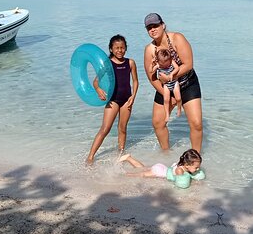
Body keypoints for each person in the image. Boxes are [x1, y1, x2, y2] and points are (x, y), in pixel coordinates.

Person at [143, 12, 203, 152]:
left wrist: (170, 77)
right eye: (149, 27)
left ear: (163, 25)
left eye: (155, 25)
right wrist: (168, 94)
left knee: (196, 123)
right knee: (158, 123)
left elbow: (188, 64)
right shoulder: (149, 50)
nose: (152, 29)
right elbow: (151, 77)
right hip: (165, 88)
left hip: (188, 84)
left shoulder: (177, 38)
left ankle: (196, 157)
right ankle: (166, 153)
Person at [86, 35, 139, 164]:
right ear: (111, 49)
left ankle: (120, 154)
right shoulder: (108, 64)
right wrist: (98, 90)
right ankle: (91, 156)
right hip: (113, 100)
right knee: (105, 128)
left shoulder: (130, 62)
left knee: (122, 128)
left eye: (122, 48)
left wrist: (133, 96)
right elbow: (96, 82)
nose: (119, 50)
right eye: (116, 48)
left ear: (126, 49)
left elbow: (136, 81)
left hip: (127, 99)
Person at [119, 149, 205, 189]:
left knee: (142, 168)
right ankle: (124, 175)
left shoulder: (184, 166)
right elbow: (179, 183)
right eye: (196, 167)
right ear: (187, 165)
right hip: (159, 172)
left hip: (162, 168)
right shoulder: (180, 170)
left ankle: (129, 158)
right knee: (141, 174)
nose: (198, 169)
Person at [151, 48, 182, 122]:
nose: (164, 66)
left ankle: (179, 108)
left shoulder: (171, 62)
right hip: (166, 85)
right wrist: (153, 64)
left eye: (166, 64)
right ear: (158, 61)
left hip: (174, 83)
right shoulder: (158, 65)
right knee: (166, 99)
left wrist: (172, 74)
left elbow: (177, 68)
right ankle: (167, 114)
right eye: (162, 64)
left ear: (170, 60)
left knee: (178, 98)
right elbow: (151, 71)